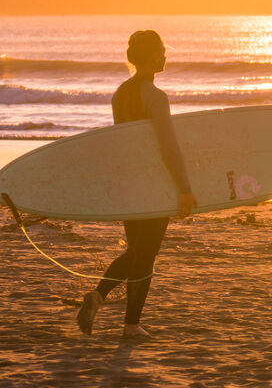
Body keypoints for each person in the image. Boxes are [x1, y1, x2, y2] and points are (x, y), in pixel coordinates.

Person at [77, 30, 198, 338]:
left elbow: (125, 145)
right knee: (145, 256)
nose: (165, 55)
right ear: (150, 56)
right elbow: (167, 146)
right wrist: (184, 188)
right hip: (153, 185)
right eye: (161, 50)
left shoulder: (120, 94)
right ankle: (131, 324)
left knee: (137, 252)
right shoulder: (156, 97)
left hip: (129, 184)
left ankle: (98, 297)